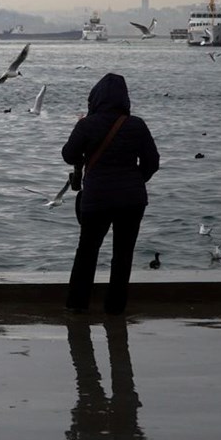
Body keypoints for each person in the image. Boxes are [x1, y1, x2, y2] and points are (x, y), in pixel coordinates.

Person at [62, 73, 159, 315]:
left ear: (95, 98)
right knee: (123, 254)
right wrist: (135, 180)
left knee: (87, 251)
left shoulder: (87, 124)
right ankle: (115, 308)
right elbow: (152, 161)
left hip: (97, 199)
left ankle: (77, 306)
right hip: (132, 200)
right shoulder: (136, 125)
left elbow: (68, 155)